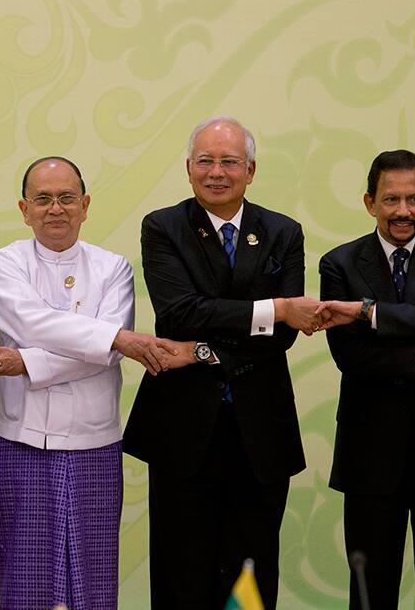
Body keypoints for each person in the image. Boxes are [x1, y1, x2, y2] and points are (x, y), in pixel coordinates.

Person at [123, 116, 322, 608]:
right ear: (189, 169)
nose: (217, 172)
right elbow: (179, 310)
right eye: (205, 161)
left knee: (251, 571)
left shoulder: (282, 231)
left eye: (229, 162)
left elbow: (283, 337)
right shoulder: (163, 226)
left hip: (260, 427)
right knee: (180, 568)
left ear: (250, 170)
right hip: (182, 427)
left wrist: (200, 350)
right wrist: (273, 308)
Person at [0, 156, 175, 610]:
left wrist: (27, 364)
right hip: (22, 437)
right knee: (22, 576)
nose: (55, 209)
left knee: (93, 575)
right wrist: (113, 340)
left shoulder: (113, 268)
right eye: (42, 199)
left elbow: (102, 354)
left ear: (85, 205)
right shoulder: (5, 263)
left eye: (67, 198)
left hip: (94, 441)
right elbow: (31, 322)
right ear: (23, 209)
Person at [315, 150, 415, 609]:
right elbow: (354, 356)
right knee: (370, 588)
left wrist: (369, 312)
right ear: (370, 202)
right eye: (391, 199)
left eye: (414, 199)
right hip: (370, 448)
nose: (403, 211)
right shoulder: (339, 264)